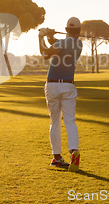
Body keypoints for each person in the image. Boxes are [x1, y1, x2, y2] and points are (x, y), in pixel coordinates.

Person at [38, 17, 83, 172]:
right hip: (69, 85)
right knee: (70, 120)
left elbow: (45, 54)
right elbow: (59, 45)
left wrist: (41, 37)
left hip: (52, 85)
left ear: (66, 29)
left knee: (55, 122)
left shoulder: (61, 43)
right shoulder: (79, 44)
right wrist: (50, 37)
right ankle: (73, 151)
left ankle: (57, 158)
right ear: (79, 31)